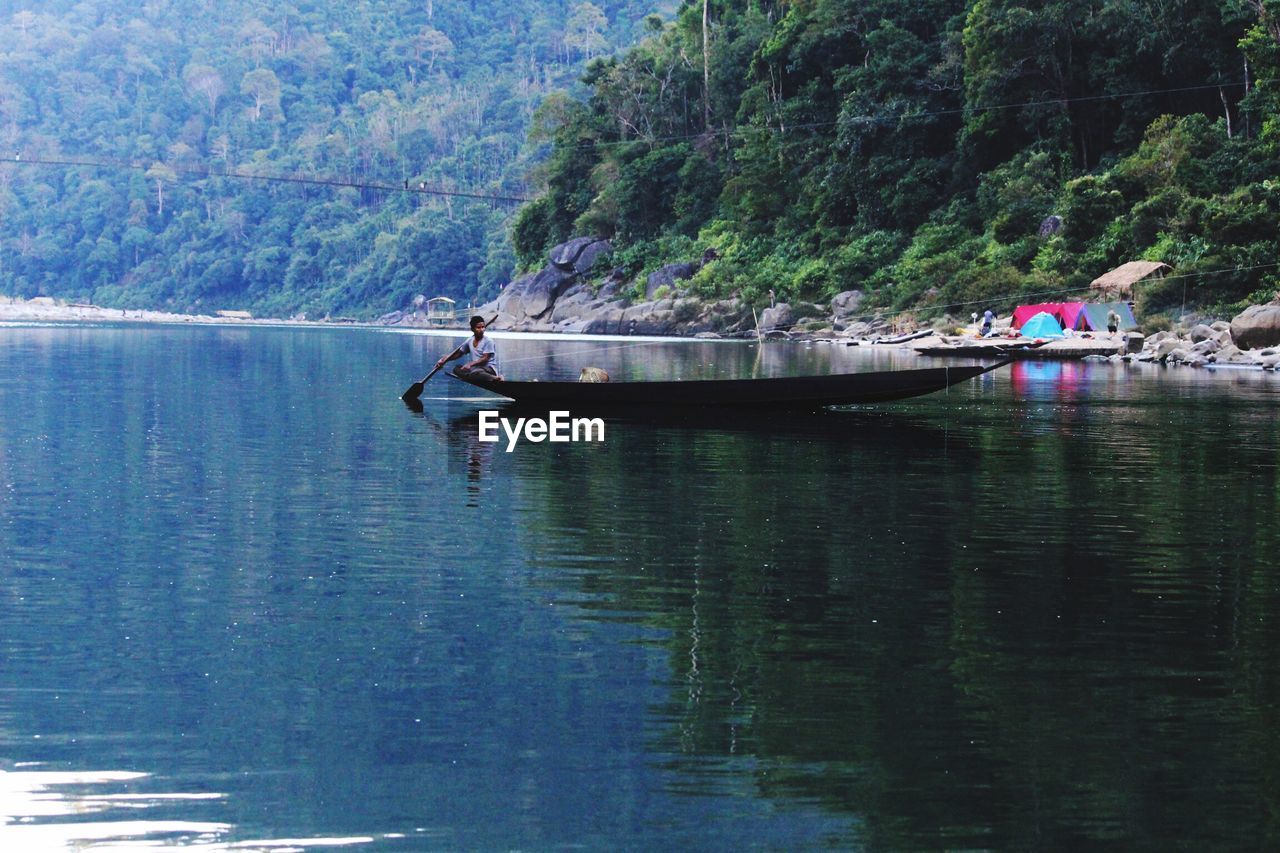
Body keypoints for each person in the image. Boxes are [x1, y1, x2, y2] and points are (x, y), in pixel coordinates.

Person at [436, 315, 501, 381]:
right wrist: (444, 360)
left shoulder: (488, 341)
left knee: (475, 373)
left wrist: (470, 364)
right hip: (476, 369)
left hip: (489, 369)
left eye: (483, 327)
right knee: (456, 369)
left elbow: (485, 358)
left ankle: (494, 378)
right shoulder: (470, 341)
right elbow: (458, 354)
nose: (481, 330)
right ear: (472, 329)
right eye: (478, 327)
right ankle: (472, 376)